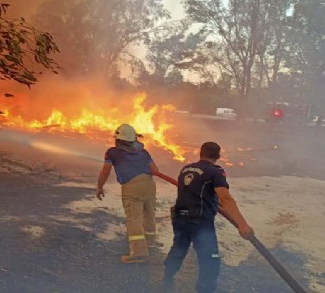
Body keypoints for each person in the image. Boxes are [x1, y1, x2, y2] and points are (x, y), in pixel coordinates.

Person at [163, 142, 254, 292]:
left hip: (179, 217)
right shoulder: (215, 172)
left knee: (179, 247)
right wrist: (242, 224)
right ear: (218, 156)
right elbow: (225, 198)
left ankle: (167, 278)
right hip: (199, 221)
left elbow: (194, 191)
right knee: (210, 258)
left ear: (201, 153)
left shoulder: (186, 169)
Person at [96, 123, 160, 263]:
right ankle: (149, 243)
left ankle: (138, 252)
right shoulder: (143, 152)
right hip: (149, 183)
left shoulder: (112, 152)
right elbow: (155, 169)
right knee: (149, 213)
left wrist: (100, 186)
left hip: (131, 186)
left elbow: (105, 170)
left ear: (118, 138)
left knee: (134, 218)